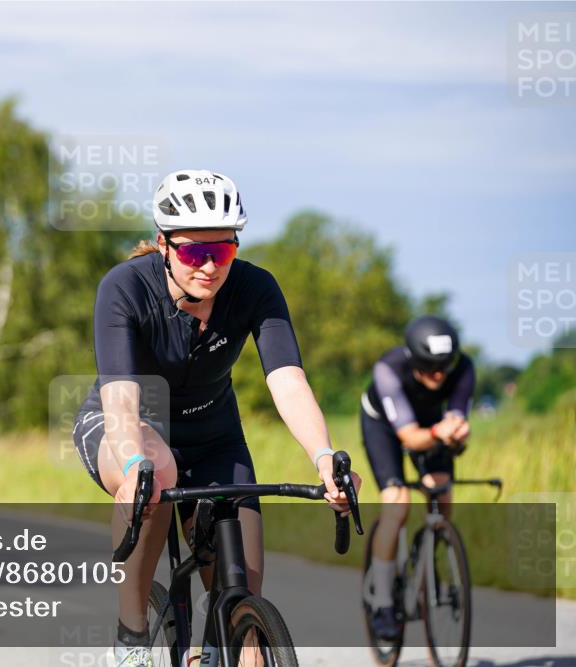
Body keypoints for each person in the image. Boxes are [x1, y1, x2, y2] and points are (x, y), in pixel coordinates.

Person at [71, 169, 359, 667]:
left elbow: (288, 380)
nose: (209, 267)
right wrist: (133, 458)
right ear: (163, 245)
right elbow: (120, 397)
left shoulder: (254, 288)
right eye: (192, 253)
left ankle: (223, 642)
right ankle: (132, 635)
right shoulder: (124, 288)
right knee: (155, 473)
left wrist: (324, 456)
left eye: (222, 252)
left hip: (214, 435)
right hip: (131, 424)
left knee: (243, 596)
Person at [361, 315, 474, 639]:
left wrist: (457, 432)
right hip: (384, 426)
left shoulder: (463, 367)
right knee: (397, 505)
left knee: (442, 493)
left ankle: (433, 552)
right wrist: (442, 430)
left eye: (445, 367)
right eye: (429, 367)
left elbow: (456, 419)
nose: (439, 375)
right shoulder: (389, 369)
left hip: (431, 426)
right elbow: (411, 438)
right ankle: (382, 601)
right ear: (413, 360)